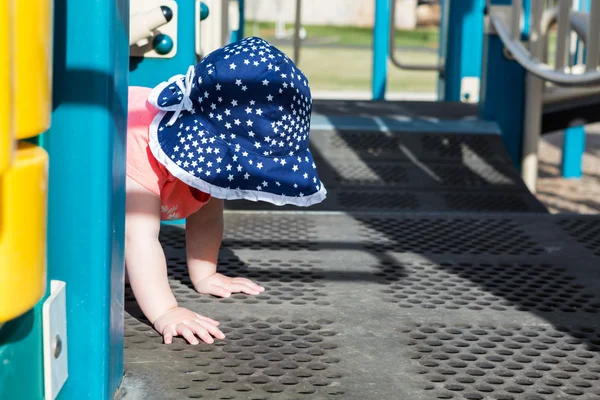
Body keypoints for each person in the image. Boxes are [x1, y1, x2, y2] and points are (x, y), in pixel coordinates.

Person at [125, 37, 326, 345]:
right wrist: (166, 311)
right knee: (126, 250)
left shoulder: (208, 159)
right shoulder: (138, 145)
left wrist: (204, 275)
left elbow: (206, 215)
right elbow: (136, 237)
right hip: (65, 204)